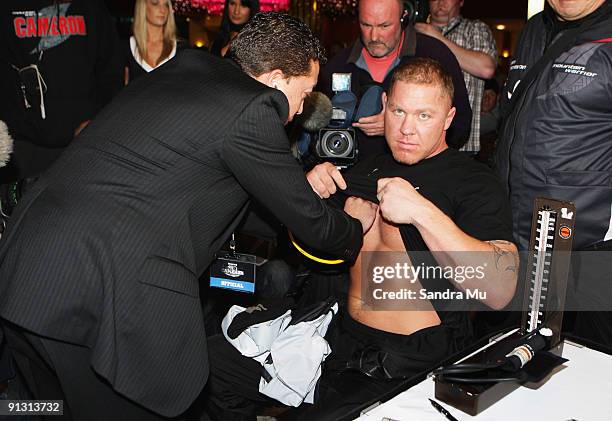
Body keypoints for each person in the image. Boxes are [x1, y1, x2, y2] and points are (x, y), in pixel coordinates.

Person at [0, 13, 371, 421]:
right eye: (304, 94)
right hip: (91, 297)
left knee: (45, 411)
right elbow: (318, 229)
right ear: (277, 79)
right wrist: (354, 224)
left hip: (26, 273)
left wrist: (298, 188)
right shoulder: (252, 107)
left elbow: (195, 182)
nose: (300, 110)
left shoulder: (185, 73)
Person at [205, 58, 518, 420]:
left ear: (448, 119)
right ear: (384, 107)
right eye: (399, 111)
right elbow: (304, 249)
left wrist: (421, 211)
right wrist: (306, 199)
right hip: (333, 338)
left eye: (424, 116)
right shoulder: (363, 170)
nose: (406, 129)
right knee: (212, 367)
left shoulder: (474, 181)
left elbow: (500, 289)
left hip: (404, 361)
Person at [496, 0, 612, 347]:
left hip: (588, 248)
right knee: (522, 355)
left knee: (594, 361)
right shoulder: (534, 29)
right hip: (520, 236)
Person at [314, 0, 472, 160]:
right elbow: (315, 131)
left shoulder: (436, 55)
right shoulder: (338, 65)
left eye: (384, 26)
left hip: (420, 178)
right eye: (366, 25)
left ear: (404, 17)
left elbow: (461, 125)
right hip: (354, 178)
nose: (374, 36)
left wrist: (397, 124)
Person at [0, 0, 123, 182]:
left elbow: (112, 71)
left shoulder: (91, 7)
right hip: (21, 147)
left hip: (82, 146)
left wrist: (98, 123)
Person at [415, 0, 497, 155]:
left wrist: (436, 37)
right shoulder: (414, 31)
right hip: (417, 138)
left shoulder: (474, 29)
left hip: (462, 142)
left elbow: (486, 68)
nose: (440, 2)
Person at [124, 0, 185, 84]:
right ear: (142, 7)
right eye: (155, 3)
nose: (163, 10)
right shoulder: (125, 48)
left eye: (166, 5)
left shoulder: (182, 48)